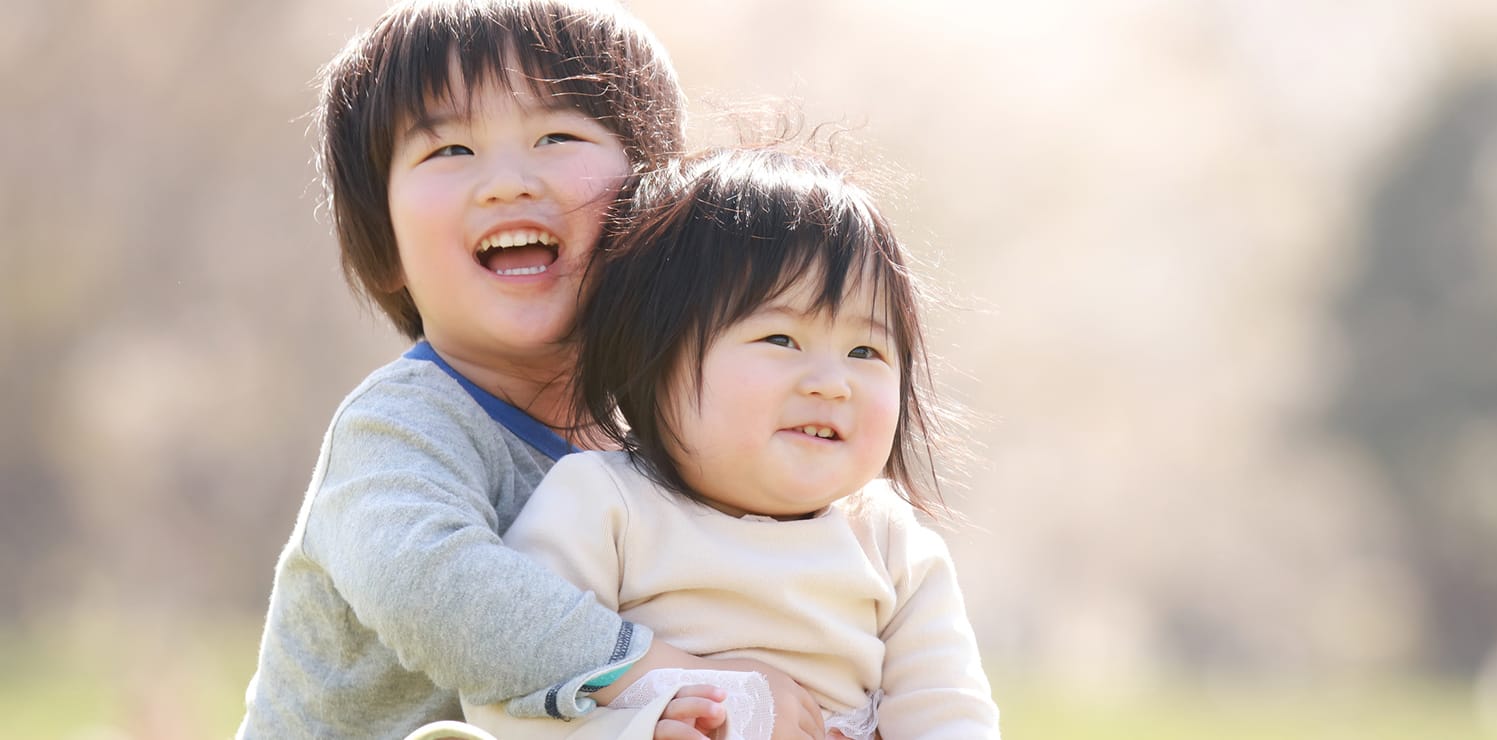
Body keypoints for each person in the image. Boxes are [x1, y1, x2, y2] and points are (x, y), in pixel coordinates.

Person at [238, 2, 824, 738]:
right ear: (384, 241)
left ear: (655, 210)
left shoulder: (666, 440)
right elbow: (430, 589)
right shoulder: (400, 429)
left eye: (558, 135)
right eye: (450, 150)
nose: (508, 182)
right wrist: (661, 671)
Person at [458, 147, 1000, 739]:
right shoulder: (602, 505)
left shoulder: (891, 543)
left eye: (865, 351)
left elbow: (949, 713)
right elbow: (508, 692)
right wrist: (638, 730)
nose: (831, 383)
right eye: (780, 338)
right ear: (652, 358)